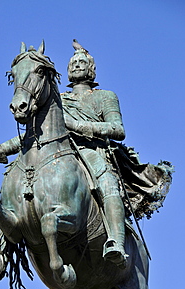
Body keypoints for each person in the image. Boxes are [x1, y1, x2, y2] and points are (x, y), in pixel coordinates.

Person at [61, 48, 128, 268]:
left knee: (108, 184)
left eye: (82, 61)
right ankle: (7, 247)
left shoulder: (105, 96)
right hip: (62, 153)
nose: (77, 64)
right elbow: (35, 135)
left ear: (91, 69)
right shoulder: (58, 100)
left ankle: (116, 242)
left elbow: (118, 129)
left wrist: (79, 126)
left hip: (94, 153)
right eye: (73, 62)